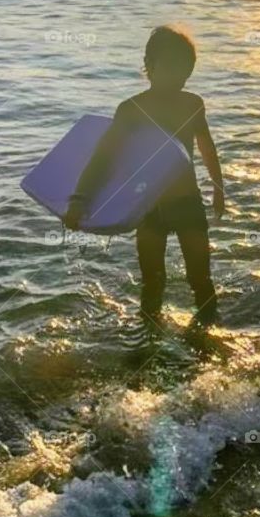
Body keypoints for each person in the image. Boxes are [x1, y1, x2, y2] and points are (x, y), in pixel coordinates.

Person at [64, 25, 225, 322]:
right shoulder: (131, 110)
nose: (179, 77)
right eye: (172, 68)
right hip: (148, 207)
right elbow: (104, 157)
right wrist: (79, 200)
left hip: (188, 203)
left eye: (185, 70)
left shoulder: (192, 103)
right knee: (153, 281)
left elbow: (206, 144)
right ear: (149, 65)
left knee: (200, 278)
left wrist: (218, 187)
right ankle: (147, 344)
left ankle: (206, 339)